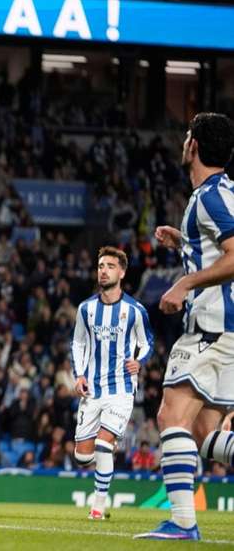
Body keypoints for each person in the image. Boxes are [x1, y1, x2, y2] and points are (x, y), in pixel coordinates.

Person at [137, 113, 234, 541]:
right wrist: (186, 242)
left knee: (169, 414)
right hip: (223, 328)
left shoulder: (210, 196)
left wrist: (185, 281)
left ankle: (181, 522)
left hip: (213, 328)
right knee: (202, 431)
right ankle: (181, 522)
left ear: (192, 144)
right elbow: (221, 247)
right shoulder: (219, 194)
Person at [70, 246, 153, 521]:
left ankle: (98, 508)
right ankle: (107, 448)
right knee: (82, 456)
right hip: (93, 389)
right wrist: (79, 374)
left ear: (122, 272)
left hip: (122, 389)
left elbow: (147, 343)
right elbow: (78, 342)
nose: (103, 270)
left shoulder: (135, 310)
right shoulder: (86, 309)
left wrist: (139, 361)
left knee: (104, 446)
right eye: (100, 265)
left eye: (109, 266)